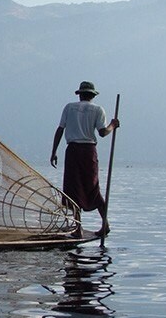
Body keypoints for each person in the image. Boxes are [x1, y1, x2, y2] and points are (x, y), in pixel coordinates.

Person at [50, 81, 119, 238]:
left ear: (80, 94)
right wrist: (113, 125)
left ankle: (78, 228)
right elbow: (103, 132)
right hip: (88, 152)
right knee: (93, 188)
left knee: (73, 189)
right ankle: (104, 224)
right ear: (92, 95)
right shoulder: (97, 109)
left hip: (73, 151)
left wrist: (53, 152)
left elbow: (60, 129)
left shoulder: (69, 107)